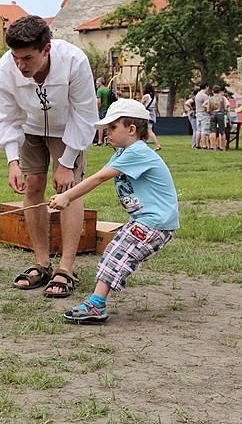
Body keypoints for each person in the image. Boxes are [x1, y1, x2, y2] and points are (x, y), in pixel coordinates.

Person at [0, 15, 98, 298]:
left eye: (27, 58)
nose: (20, 65)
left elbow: (85, 114)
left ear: (47, 49)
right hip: (29, 128)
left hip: (67, 129)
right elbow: (8, 116)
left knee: (70, 191)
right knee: (33, 187)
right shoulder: (6, 67)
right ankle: (41, 263)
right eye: (16, 57)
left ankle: (66, 268)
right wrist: (12, 160)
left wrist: (66, 163)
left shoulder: (74, 61)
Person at [50, 99, 178, 323]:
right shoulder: (121, 153)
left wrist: (67, 196)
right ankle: (97, 303)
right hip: (144, 221)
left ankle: (96, 305)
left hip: (154, 222)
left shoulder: (137, 152)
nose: (107, 134)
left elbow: (99, 177)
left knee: (116, 257)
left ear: (131, 130)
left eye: (112, 128)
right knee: (114, 253)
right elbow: (101, 173)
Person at [205, 85, 227, 151]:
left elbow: (208, 109)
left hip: (212, 114)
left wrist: (211, 112)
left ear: (212, 91)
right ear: (219, 91)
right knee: (222, 131)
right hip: (220, 114)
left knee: (212, 131)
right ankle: (222, 147)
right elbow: (225, 107)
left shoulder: (210, 99)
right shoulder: (222, 98)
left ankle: (213, 146)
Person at [141, 83, 162, 151]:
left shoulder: (146, 96)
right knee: (145, 130)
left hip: (146, 114)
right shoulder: (154, 96)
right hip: (152, 114)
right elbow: (155, 106)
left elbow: (141, 105)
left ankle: (157, 145)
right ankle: (142, 144)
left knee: (149, 130)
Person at [95, 77, 111, 146]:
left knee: (100, 126)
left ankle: (99, 141)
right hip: (108, 109)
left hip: (102, 110)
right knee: (108, 125)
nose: (96, 85)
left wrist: (97, 110)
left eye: (97, 83)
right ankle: (108, 140)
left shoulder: (99, 90)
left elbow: (98, 102)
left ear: (100, 83)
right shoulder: (108, 89)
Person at [194, 83, 210, 149]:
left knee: (198, 130)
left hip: (198, 113)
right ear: (206, 87)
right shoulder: (205, 96)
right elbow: (207, 106)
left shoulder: (197, 95)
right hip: (204, 113)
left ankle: (197, 144)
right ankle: (204, 145)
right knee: (204, 130)